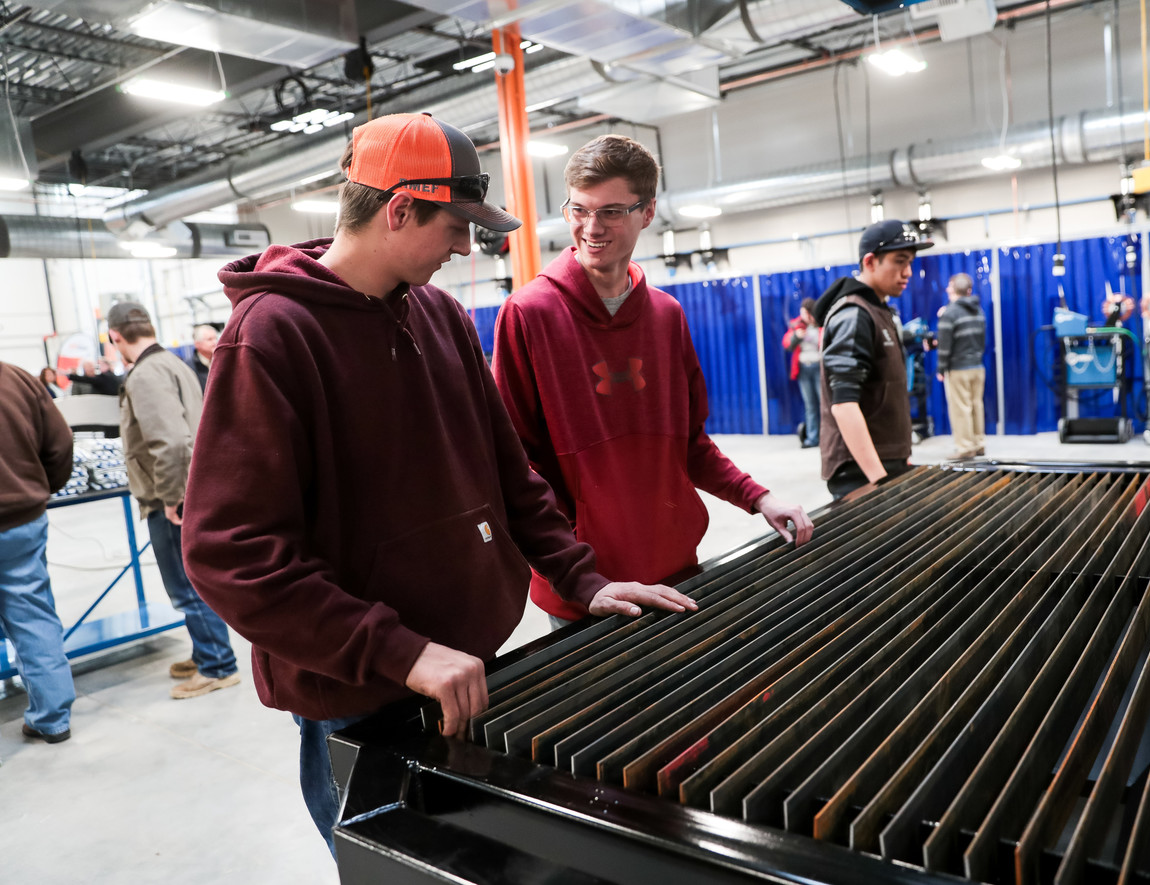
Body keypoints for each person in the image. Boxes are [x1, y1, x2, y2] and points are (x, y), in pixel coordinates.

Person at [179, 113, 695, 854]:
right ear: (397, 209)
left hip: (470, 677)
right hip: (360, 702)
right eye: (455, 226)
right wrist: (400, 650)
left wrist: (583, 578)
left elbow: (509, 475)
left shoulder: (443, 317)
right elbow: (231, 552)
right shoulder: (272, 336)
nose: (464, 245)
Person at [492, 134, 813, 628]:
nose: (591, 228)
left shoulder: (667, 315)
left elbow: (690, 444)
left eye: (612, 212)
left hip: (676, 568)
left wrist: (758, 497)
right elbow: (516, 467)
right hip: (588, 590)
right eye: (579, 210)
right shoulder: (527, 313)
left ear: (648, 212)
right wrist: (576, 572)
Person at [105, 301, 241, 700]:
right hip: (193, 486)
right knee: (191, 582)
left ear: (115, 336)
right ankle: (206, 653)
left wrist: (172, 497)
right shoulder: (174, 363)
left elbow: (171, 442)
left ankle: (217, 665)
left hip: (173, 496)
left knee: (185, 586)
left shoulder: (146, 374)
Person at [814, 219, 933, 499]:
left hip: (886, 461)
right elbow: (843, 406)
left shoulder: (881, 311)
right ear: (870, 261)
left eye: (911, 262)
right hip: (861, 474)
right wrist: (879, 480)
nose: (908, 272)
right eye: (899, 261)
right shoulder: (854, 315)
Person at [0, 361, 77, 745]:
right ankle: (53, 718)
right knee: (32, 616)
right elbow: (61, 443)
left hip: (21, 516)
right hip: (21, 521)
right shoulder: (16, 377)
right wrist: (41, 488)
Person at [935, 272, 987, 459]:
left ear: (951, 288)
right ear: (969, 290)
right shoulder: (978, 310)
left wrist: (941, 369)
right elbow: (981, 341)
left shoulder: (949, 313)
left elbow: (944, 346)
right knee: (976, 406)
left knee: (961, 409)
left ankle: (965, 448)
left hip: (958, 368)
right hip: (978, 367)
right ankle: (979, 444)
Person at [782, 297, 821, 448]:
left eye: (805, 313)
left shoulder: (820, 324)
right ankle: (812, 438)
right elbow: (787, 345)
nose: (803, 316)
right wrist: (796, 338)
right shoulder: (796, 326)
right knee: (810, 405)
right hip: (804, 369)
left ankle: (827, 436)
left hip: (819, 367)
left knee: (824, 403)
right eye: (801, 313)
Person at [190, 324, 218, 391]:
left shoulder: (224, 362)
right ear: (197, 344)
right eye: (209, 339)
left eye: (216, 338)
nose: (215, 342)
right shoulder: (189, 367)